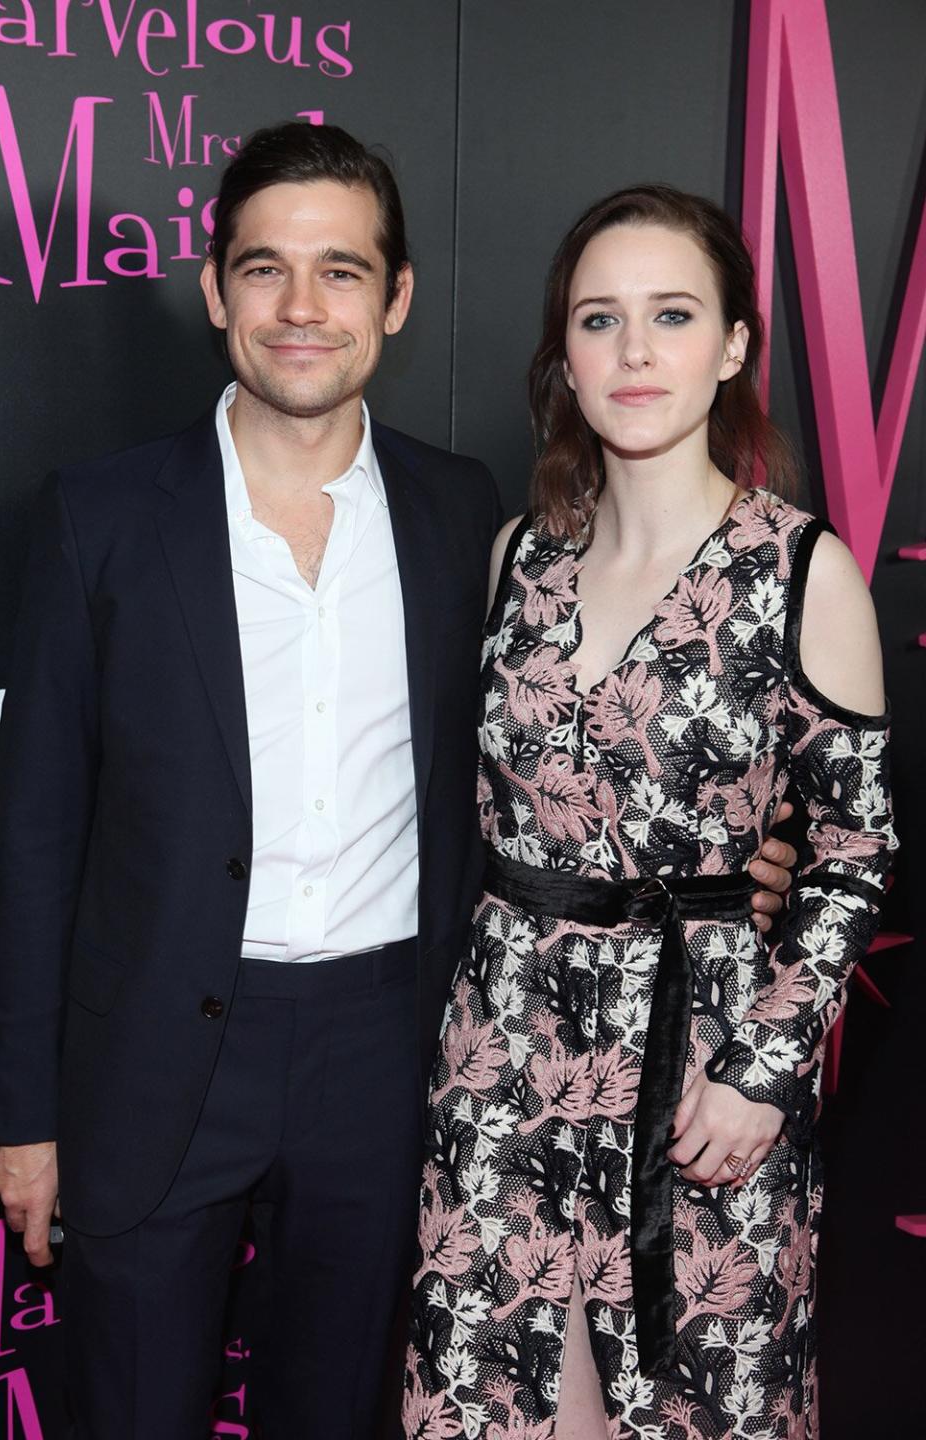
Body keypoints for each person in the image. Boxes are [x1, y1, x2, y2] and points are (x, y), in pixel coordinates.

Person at [0, 126, 794, 1440]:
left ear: (397, 297)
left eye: (342, 272)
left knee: (343, 1412)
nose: (303, 310)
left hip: (390, 1052)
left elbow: (565, 751)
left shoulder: (467, 517)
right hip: (148, 1054)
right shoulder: (99, 517)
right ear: (214, 289)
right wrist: (18, 1112)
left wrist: (724, 857)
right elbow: (31, 834)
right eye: (265, 271)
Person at [404, 185, 896, 1440]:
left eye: (671, 315)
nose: (633, 352)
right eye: (599, 319)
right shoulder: (520, 558)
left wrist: (764, 1074)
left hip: (701, 1079)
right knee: (490, 1405)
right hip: (504, 1057)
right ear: (561, 360)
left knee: (690, 1405)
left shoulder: (800, 570)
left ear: (732, 346)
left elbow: (852, 848)